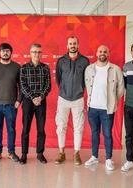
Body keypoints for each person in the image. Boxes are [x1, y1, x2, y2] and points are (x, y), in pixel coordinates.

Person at [84, 45, 124, 171]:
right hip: (92, 108)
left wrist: (113, 101)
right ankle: (94, 157)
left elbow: (121, 89)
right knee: (94, 133)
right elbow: (87, 85)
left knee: (107, 134)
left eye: (105, 51)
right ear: (96, 53)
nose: (102, 53)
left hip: (107, 109)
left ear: (108, 54)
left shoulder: (115, 69)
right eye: (100, 51)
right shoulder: (89, 68)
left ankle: (108, 159)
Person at [55, 36, 89, 165]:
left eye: (74, 43)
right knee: (61, 126)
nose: (72, 45)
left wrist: (79, 89)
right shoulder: (61, 61)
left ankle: (76, 153)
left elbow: (86, 80)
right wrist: (64, 90)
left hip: (78, 99)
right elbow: (59, 79)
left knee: (78, 127)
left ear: (78, 45)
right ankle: (61, 153)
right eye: (70, 43)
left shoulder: (85, 61)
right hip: (63, 98)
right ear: (67, 46)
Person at [0, 43, 21, 162]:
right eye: (3, 51)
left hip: (11, 105)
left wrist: (18, 100)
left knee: (11, 129)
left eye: (7, 51)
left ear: (11, 53)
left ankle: (11, 152)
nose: (5, 53)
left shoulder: (17, 67)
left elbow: (21, 86)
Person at [19, 43, 51, 164]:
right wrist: (33, 97)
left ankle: (40, 153)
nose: (36, 54)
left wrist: (40, 97)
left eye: (39, 52)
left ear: (41, 53)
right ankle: (24, 154)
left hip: (41, 102)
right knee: (25, 128)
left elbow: (48, 85)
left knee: (41, 129)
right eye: (34, 52)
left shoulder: (45, 68)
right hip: (28, 101)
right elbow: (23, 86)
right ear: (30, 53)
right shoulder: (24, 68)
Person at [121, 42, 133, 172]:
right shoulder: (126, 67)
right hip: (128, 106)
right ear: (131, 52)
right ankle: (129, 160)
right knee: (129, 135)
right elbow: (125, 85)